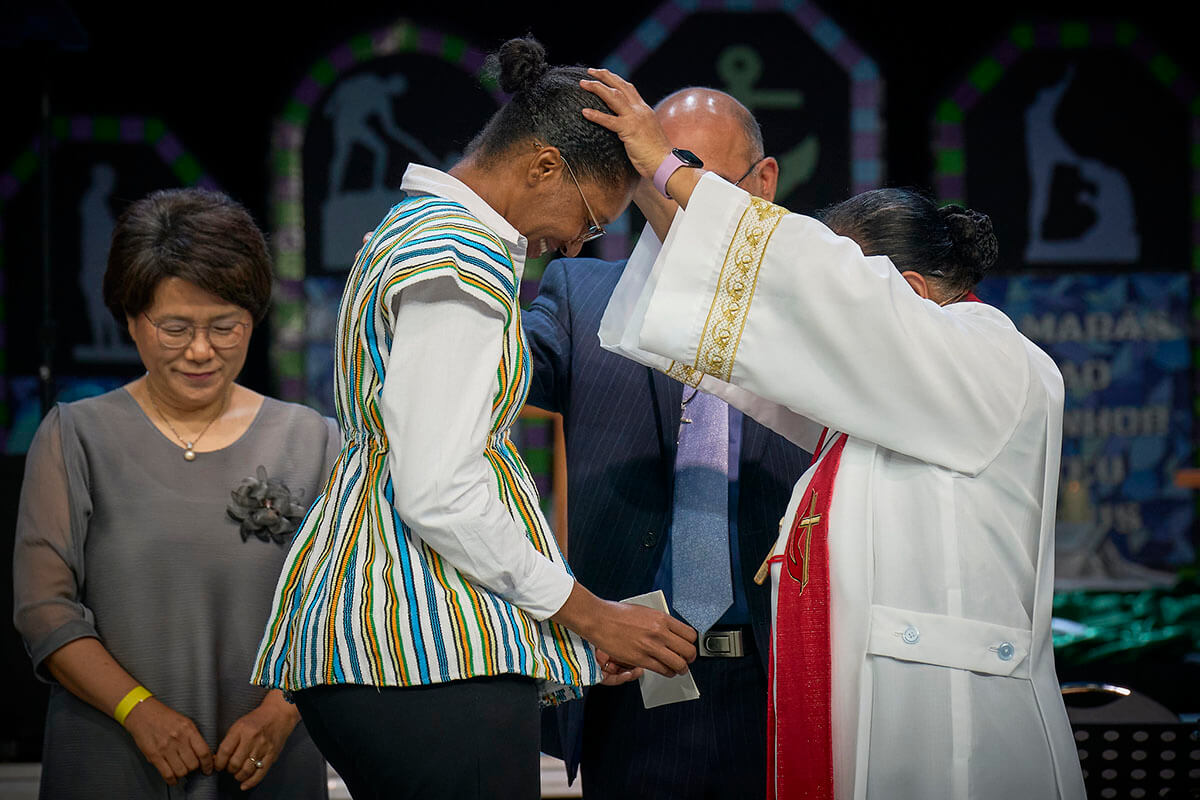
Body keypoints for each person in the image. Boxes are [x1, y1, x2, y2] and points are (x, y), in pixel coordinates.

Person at [581, 69, 1086, 799]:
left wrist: (670, 168)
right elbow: (739, 351)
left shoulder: (996, 360)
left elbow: (818, 284)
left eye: (847, 296)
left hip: (954, 728)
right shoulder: (881, 398)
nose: (821, 321)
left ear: (907, 294)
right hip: (876, 702)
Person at [251, 38, 696, 800]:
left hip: (389, 631)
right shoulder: (460, 253)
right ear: (543, 167)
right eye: (590, 220)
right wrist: (589, 615)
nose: (573, 244)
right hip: (419, 647)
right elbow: (439, 490)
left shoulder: (413, 228)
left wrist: (562, 626)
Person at [526, 87, 809, 798]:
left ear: (764, 184)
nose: (680, 202)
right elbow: (488, 371)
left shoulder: (817, 315)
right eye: (655, 175)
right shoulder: (582, 295)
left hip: (790, 679)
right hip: (642, 680)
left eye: (699, 180)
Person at [13, 188, 340, 799]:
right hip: (112, 761)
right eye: (175, 328)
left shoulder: (313, 440)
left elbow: (340, 611)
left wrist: (281, 711)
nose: (200, 351)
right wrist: (138, 710)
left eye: (224, 328)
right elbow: (44, 611)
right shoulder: (76, 437)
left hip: (264, 764)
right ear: (131, 320)